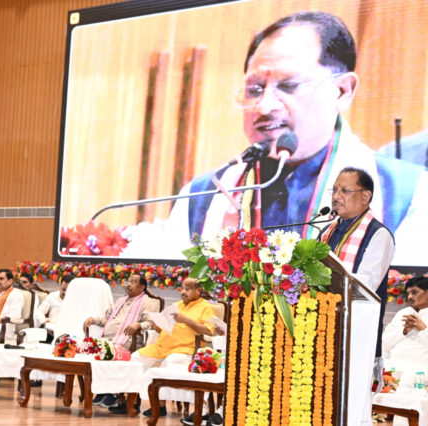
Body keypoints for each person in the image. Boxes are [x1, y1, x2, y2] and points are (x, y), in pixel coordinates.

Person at [162, 11, 428, 266]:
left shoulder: (407, 195)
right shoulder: (202, 196)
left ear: (342, 91)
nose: (265, 106)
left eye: (289, 86)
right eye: (255, 89)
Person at [319, 167, 395, 424]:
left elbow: (367, 284)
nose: (336, 196)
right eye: (334, 190)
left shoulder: (378, 235)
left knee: (349, 409)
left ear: (365, 196)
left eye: (345, 190)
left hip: (356, 337)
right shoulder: (326, 232)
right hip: (322, 332)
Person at [119, 278, 221, 417]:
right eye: (182, 288)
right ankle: (132, 402)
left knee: (169, 362)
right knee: (135, 359)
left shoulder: (206, 307)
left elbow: (208, 331)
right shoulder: (176, 305)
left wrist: (186, 320)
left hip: (185, 348)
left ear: (198, 290)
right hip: (162, 346)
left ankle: (160, 406)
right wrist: (157, 324)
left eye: (187, 289)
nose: (183, 292)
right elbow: (163, 328)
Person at [83, 273, 158, 410]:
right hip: (109, 338)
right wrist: (93, 320)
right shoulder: (120, 301)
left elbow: (152, 323)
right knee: (95, 351)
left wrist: (138, 325)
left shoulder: (149, 302)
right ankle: (103, 391)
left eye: (133, 282)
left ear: (142, 287)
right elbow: (108, 321)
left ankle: (112, 394)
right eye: (128, 281)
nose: (128, 284)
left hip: (128, 339)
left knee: (109, 351)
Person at [382, 276, 428, 376]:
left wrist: (423, 328)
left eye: (414, 292)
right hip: (394, 370)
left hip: (422, 374)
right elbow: (386, 343)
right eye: (408, 293)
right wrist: (404, 331)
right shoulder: (402, 313)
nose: (410, 297)